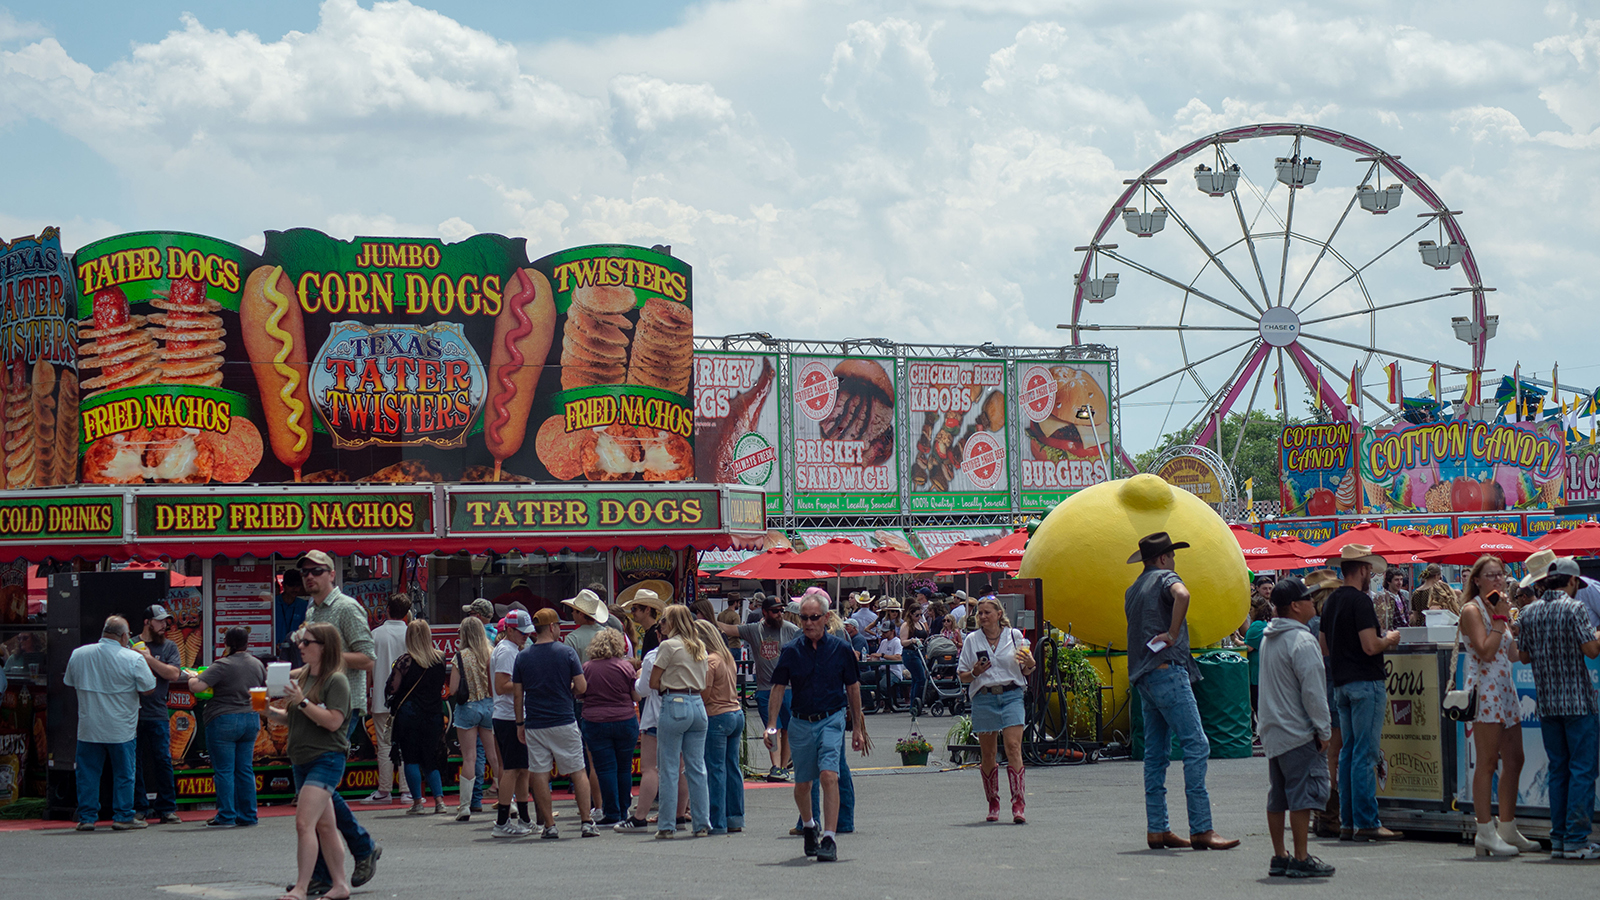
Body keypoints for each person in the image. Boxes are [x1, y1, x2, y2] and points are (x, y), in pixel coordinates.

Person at [1125, 532, 1239, 851]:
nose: (1173, 561)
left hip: (1143, 676)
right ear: (1163, 558)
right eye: (1171, 556)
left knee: (1156, 755)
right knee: (1196, 744)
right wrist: (1173, 632)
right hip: (1167, 670)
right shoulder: (1166, 577)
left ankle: (1157, 828)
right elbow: (1183, 594)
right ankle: (1202, 827)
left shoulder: (1133, 589)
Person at [297, 550, 380, 890]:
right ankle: (335, 865)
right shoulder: (313, 609)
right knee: (317, 792)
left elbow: (368, 657)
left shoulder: (345, 608)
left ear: (332, 573)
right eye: (304, 572)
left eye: (316, 571)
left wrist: (328, 655)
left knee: (318, 788)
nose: (309, 577)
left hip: (341, 705)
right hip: (315, 701)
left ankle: (341, 861)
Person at [765, 593, 869, 863]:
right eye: (804, 618)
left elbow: (853, 688)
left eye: (814, 618)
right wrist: (771, 725)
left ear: (825, 618)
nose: (808, 623)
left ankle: (830, 838)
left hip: (832, 719)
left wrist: (857, 728)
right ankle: (810, 825)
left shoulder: (841, 648)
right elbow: (777, 688)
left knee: (829, 776)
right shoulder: (791, 650)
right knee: (802, 784)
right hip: (800, 722)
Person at [1516, 555, 1600, 858]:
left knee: (1558, 770)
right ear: (1573, 581)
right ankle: (1577, 839)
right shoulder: (1575, 607)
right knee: (1582, 769)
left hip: (1547, 703)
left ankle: (1561, 838)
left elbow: (1523, 656)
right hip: (1578, 701)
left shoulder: (1529, 612)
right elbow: (1590, 650)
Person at [1320, 544, 1402, 842]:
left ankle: (1347, 821)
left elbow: (1323, 647)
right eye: (1369, 570)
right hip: (1366, 683)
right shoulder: (1361, 602)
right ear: (1364, 570)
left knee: (1348, 753)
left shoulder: (1330, 602)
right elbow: (1370, 645)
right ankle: (1367, 821)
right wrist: (1389, 639)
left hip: (1341, 683)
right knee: (1365, 753)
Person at [1257, 577, 1335, 879]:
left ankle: (1280, 855)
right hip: (1298, 730)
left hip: (1273, 730)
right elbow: (1313, 693)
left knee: (1278, 796)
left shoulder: (1268, 637)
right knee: (1302, 796)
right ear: (1295, 606)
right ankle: (1301, 857)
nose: (1312, 603)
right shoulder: (1303, 641)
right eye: (1307, 598)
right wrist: (1323, 730)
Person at [271, 622, 353, 900]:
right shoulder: (305, 675)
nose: (301, 646)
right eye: (301, 641)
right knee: (325, 826)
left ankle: (302, 887)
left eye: (307, 642)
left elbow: (333, 722)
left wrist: (303, 701)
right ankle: (339, 885)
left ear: (324, 647)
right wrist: (264, 711)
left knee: (304, 823)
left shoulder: (336, 680)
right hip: (302, 758)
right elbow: (293, 718)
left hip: (327, 757)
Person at [1458, 554, 1533, 856]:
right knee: (1487, 762)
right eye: (1490, 575)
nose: (1498, 580)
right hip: (1485, 689)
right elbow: (1486, 651)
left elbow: (1513, 654)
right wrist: (1502, 619)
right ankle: (1484, 831)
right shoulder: (1472, 609)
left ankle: (1507, 826)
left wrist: (1525, 628)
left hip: (1505, 687)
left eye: (1500, 575)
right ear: (1476, 579)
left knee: (1515, 758)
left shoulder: (1499, 607)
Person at [512, 607, 598, 839]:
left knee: (539, 772)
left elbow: (518, 695)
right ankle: (586, 821)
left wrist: (520, 723)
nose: (560, 629)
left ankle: (549, 825)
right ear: (551, 627)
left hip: (535, 723)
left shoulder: (523, 656)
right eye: (558, 625)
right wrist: (567, 689)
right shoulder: (566, 653)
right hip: (563, 720)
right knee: (577, 771)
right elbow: (581, 687)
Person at [65, 615, 156, 831]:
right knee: (124, 773)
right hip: (121, 728)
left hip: (88, 726)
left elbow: (69, 682)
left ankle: (87, 817)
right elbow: (149, 688)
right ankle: (123, 816)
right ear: (125, 636)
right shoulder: (132, 658)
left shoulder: (79, 654)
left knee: (87, 774)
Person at [958, 596, 1035, 824]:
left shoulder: (1014, 636)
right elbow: (962, 675)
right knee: (989, 753)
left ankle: (1018, 803)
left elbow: (1027, 669)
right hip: (984, 697)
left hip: (1011, 694)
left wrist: (1030, 661)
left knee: (1013, 747)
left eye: (986, 612)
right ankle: (993, 801)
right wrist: (974, 672)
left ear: (999, 614)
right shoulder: (972, 640)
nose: (982, 616)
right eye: (979, 613)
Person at [190, 626, 266, 828]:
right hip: (250, 719)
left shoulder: (223, 664)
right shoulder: (257, 664)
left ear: (227, 643)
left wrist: (191, 677)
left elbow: (198, 687)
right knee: (245, 769)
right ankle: (249, 815)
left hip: (223, 720)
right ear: (247, 643)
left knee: (224, 770)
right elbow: (263, 692)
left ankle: (226, 815)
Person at [719, 594, 800, 781]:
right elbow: (728, 629)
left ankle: (783, 765)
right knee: (772, 729)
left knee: (788, 728)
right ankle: (775, 766)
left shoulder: (791, 629)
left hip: (788, 687)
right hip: (765, 688)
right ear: (764, 612)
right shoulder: (754, 630)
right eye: (775, 611)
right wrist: (706, 618)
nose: (780, 614)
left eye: (781, 610)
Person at [651, 604, 711, 838]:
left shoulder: (668, 646)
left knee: (668, 768)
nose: (661, 625)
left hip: (674, 701)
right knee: (697, 767)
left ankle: (666, 825)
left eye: (663, 621)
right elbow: (704, 682)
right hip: (697, 703)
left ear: (673, 623)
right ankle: (702, 823)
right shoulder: (699, 646)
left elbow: (654, 682)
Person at [387, 619, 449, 815]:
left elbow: (392, 688)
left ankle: (417, 803)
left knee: (411, 758)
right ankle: (439, 801)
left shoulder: (404, 661)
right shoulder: (440, 658)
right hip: (433, 714)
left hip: (409, 715)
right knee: (430, 758)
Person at [580, 628, 639, 826]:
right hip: (624, 719)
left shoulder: (587, 667)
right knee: (624, 768)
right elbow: (635, 696)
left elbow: (580, 694)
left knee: (604, 768)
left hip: (595, 721)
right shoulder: (626, 667)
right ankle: (624, 811)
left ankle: (611, 812)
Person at [131, 604, 183, 825]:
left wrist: (148, 659)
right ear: (147, 622)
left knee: (163, 760)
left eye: (166, 621)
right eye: (160, 621)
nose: (164, 625)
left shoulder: (169, 646)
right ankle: (139, 808)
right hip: (132, 713)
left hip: (158, 712)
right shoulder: (130, 643)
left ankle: (167, 808)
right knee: (134, 762)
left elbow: (173, 673)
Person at [695, 619, 745, 834]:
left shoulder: (709, 661)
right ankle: (735, 817)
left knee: (715, 768)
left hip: (716, 715)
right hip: (736, 712)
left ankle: (717, 821)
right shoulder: (726, 658)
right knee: (732, 767)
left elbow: (704, 693)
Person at [449, 616, 501, 822]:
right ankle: (510, 800)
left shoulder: (460, 657)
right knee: (494, 756)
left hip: (468, 707)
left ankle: (464, 806)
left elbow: (453, 689)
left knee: (469, 758)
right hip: (489, 706)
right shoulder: (492, 653)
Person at [491, 609, 536, 837]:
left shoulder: (510, 649)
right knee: (512, 769)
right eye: (522, 632)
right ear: (509, 630)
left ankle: (524, 818)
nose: (526, 636)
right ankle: (502, 822)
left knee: (521, 769)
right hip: (509, 716)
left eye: (527, 633)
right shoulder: (508, 651)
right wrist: (526, 683)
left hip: (509, 715)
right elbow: (501, 685)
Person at [362, 594, 410, 804]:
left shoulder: (375, 635)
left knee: (384, 745)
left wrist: (366, 694)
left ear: (387, 610)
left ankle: (384, 790)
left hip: (382, 698)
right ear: (407, 613)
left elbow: (368, 670)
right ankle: (408, 791)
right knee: (406, 744)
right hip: (408, 699)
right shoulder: (411, 634)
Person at [1244, 594, 1272, 729]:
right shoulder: (1264, 624)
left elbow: (1247, 647)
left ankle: (1264, 732)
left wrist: (1234, 639)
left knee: (1258, 706)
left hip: (1255, 673)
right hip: (1263, 671)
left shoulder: (1256, 626)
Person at [900, 598, 931, 716]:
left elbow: (926, 632)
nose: (919, 617)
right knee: (920, 678)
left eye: (920, 614)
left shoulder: (920, 624)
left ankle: (915, 705)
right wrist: (912, 640)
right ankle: (916, 704)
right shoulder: (906, 625)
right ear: (911, 614)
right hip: (910, 653)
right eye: (917, 615)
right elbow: (902, 642)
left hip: (920, 653)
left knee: (916, 679)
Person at [275, 569, 310, 666]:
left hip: (297, 651)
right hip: (275, 651)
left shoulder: (303, 605)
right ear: (284, 585)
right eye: (291, 585)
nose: (295, 589)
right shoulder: (273, 604)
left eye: (298, 586)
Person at [563, 590, 609, 662]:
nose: (572, 613)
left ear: (581, 614)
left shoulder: (572, 639)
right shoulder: (607, 635)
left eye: (573, 610)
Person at [626, 589, 665, 655]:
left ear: (647, 609)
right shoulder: (651, 632)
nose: (632, 612)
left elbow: (653, 661)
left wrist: (636, 663)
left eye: (634, 609)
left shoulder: (655, 634)